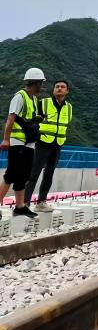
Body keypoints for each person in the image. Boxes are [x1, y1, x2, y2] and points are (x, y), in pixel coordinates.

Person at [0, 68, 46, 218]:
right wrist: (6, 139)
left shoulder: (34, 99)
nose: (42, 86)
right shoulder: (20, 96)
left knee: (24, 175)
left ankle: (20, 207)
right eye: (41, 83)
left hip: (29, 142)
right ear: (36, 83)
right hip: (17, 140)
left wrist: (37, 120)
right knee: (11, 174)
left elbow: (26, 119)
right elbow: (11, 118)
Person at [24, 79, 73, 211]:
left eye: (62, 87)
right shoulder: (43, 103)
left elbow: (65, 124)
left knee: (49, 174)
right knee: (33, 174)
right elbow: (33, 121)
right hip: (42, 143)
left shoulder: (69, 107)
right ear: (53, 90)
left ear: (67, 91)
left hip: (57, 144)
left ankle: (41, 202)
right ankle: (25, 203)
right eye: (57, 86)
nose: (59, 89)